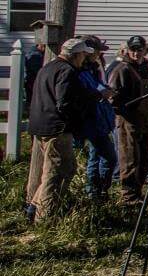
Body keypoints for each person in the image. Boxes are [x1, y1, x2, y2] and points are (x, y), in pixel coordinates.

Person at [25, 37, 97, 221]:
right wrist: (76, 119)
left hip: (41, 125)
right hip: (57, 128)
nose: (84, 60)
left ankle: (34, 207)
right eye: (83, 55)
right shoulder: (67, 71)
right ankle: (45, 216)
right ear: (76, 55)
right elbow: (64, 102)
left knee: (64, 168)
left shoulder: (47, 67)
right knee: (58, 172)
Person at [110, 35, 148, 206]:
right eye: (133, 49)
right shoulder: (122, 69)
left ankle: (139, 193)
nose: (136, 53)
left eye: (139, 49)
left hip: (147, 119)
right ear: (127, 50)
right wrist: (127, 108)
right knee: (130, 159)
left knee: (145, 159)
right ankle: (129, 197)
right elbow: (113, 98)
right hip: (129, 121)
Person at [76, 39, 118, 201]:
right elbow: (87, 93)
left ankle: (100, 190)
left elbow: (98, 87)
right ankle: (94, 190)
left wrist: (105, 90)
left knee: (100, 155)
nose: (100, 54)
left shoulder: (93, 68)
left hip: (100, 117)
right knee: (103, 156)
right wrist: (101, 93)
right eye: (98, 51)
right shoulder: (81, 71)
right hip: (91, 119)